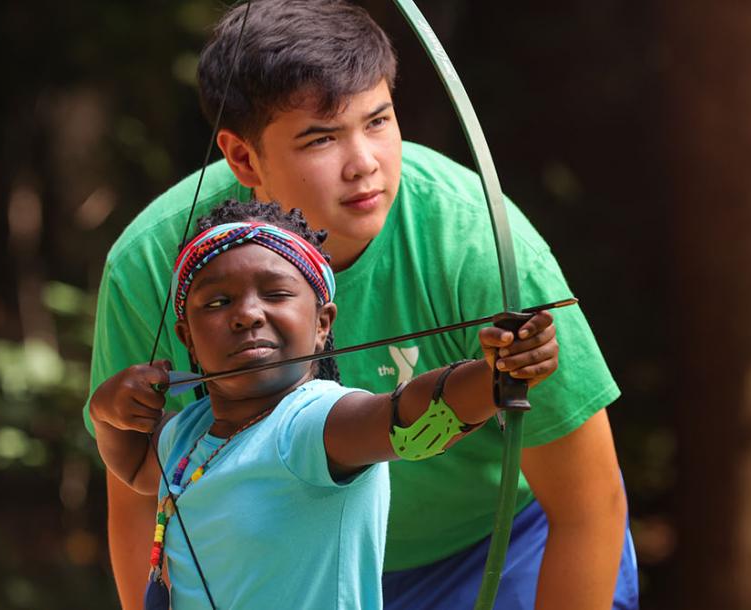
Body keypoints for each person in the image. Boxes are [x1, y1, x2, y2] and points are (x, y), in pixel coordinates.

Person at [86, 1, 637, 608]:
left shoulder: (475, 241)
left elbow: (585, 504)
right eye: (321, 138)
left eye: (378, 121)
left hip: (499, 550)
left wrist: (498, 376)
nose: (365, 164)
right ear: (243, 158)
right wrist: (112, 412)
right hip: (285, 573)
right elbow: (143, 494)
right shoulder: (158, 264)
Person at [89, 205, 560, 608]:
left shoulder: (313, 422)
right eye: (218, 301)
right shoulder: (188, 435)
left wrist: (494, 376)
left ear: (322, 324)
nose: (248, 313)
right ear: (187, 338)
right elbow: (133, 465)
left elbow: (402, 418)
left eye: (275, 294)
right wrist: (105, 411)